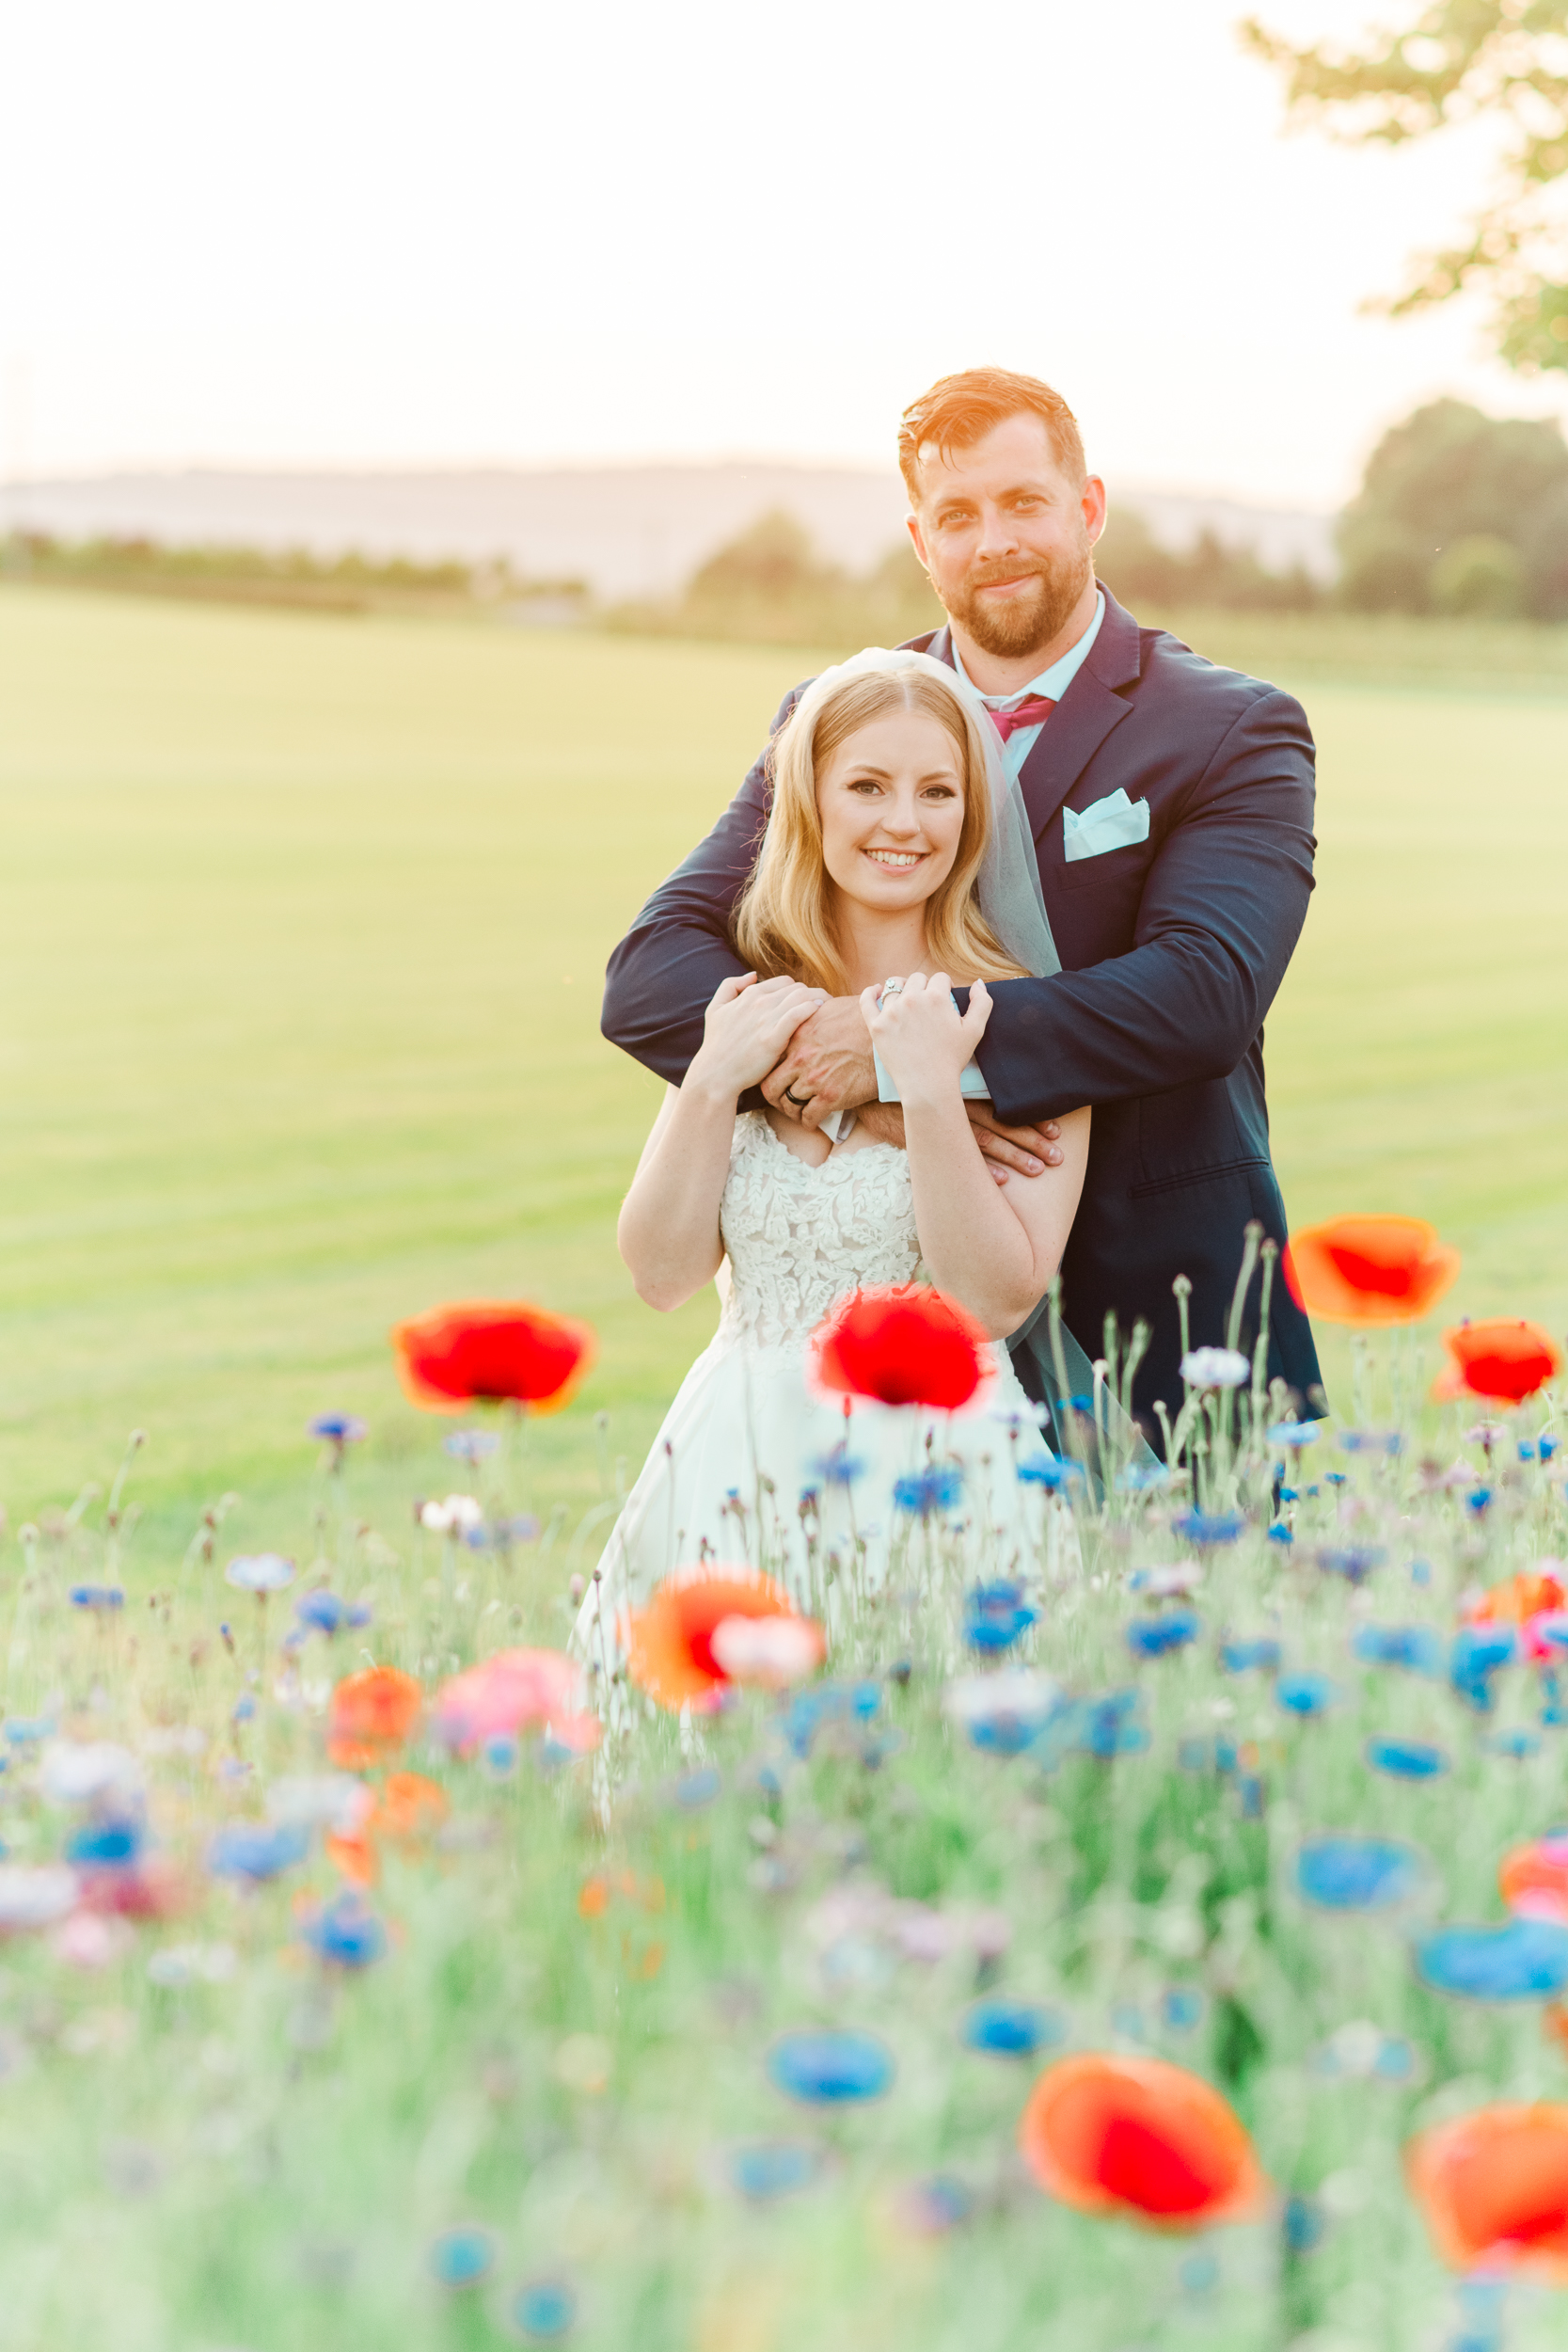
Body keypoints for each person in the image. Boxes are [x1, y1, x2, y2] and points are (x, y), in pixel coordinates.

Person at [602, 365, 1323, 1431]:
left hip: (1159, 1313)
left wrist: (900, 1046)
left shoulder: (1230, 727)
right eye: (957, 515)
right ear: (919, 539)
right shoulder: (836, 715)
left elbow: (1204, 992)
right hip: (889, 1362)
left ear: (1086, 509)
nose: (992, 540)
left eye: (1023, 502)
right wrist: (862, 1077)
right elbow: (652, 971)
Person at [578, 650, 1088, 1649]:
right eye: (867, 786)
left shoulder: (1021, 1025)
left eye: (936, 791)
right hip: (732, 1463)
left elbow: (990, 1302)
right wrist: (716, 1078)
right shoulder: (747, 1010)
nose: (904, 822)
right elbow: (659, 1273)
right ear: (808, 803)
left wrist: (930, 1089)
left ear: (970, 816)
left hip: (936, 1469)